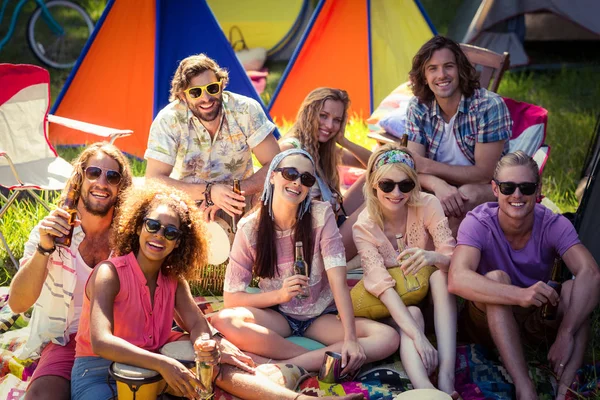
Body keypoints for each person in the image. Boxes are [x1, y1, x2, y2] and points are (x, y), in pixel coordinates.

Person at [71, 180, 363, 400]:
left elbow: (198, 322)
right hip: (98, 370)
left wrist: (205, 345)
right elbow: (101, 341)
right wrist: (164, 363)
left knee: (216, 362)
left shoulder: (173, 280)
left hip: (157, 365)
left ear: (178, 243)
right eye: (153, 225)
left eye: (171, 233)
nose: (159, 236)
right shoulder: (109, 274)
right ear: (138, 227)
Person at [211, 148, 399, 375]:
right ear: (272, 176)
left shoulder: (321, 215)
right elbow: (232, 299)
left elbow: (338, 281)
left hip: (320, 317)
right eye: (290, 173)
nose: (297, 182)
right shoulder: (250, 228)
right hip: (278, 315)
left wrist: (350, 338)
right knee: (224, 320)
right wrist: (279, 295)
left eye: (306, 178)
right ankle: (305, 358)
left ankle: (279, 365)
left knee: (387, 337)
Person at [448, 151, 600, 400]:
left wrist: (566, 332)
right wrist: (519, 294)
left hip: (536, 320)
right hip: (487, 322)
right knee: (496, 278)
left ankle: (565, 387)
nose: (517, 195)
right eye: (508, 187)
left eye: (526, 188)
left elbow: (590, 273)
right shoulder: (478, 222)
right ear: (495, 189)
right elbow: (457, 278)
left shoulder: (553, 223)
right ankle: (524, 386)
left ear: (538, 189)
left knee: (575, 290)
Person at [8, 142, 133, 400]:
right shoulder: (50, 231)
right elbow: (18, 303)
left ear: (121, 187)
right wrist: (44, 249)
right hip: (64, 341)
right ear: (79, 178)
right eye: (93, 172)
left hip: (119, 338)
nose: (102, 181)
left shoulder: (129, 238)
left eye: (112, 176)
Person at [352, 144, 458, 396]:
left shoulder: (427, 203)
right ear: (374, 184)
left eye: (405, 185)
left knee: (441, 277)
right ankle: (425, 389)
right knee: (412, 316)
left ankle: (446, 376)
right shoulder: (364, 226)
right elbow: (382, 287)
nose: (396, 193)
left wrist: (432, 255)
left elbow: (453, 259)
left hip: (420, 295)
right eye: (387, 185)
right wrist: (420, 338)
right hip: (382, 306)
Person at [145, 53, 280, 222]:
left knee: (279, 193)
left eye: (212, 88)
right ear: (182, 96)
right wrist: (209, 192)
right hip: (188, 202)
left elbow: (277, 163)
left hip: (241, 197)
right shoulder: (168, 120)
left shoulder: (245, 110)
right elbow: (153, 180)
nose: (206, 98)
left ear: (222, 85)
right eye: (195, 92)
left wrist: (233, 192)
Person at [405, 35, 513, 233]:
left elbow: (484, 174)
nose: (441, 75)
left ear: (460, 69)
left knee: (463, 197)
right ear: (424, 76)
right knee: (384, 184)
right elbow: (412, 169)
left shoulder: (489, 106)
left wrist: (429, 166)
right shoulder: (419, 107)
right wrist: (437, 184)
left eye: (448, 66)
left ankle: (439, 260)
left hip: (490, 186)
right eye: (433, 68)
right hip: (441, 183)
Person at [279, 88, 372, 259]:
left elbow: (377, 164)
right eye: (323, 116)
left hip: (332, 223)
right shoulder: (291, 149)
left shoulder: (323, 149)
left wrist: (344, 141)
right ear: (309, 113)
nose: (329, 125)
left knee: (376, 180)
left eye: (337, 120)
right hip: (315, 243)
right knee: (378, 202)